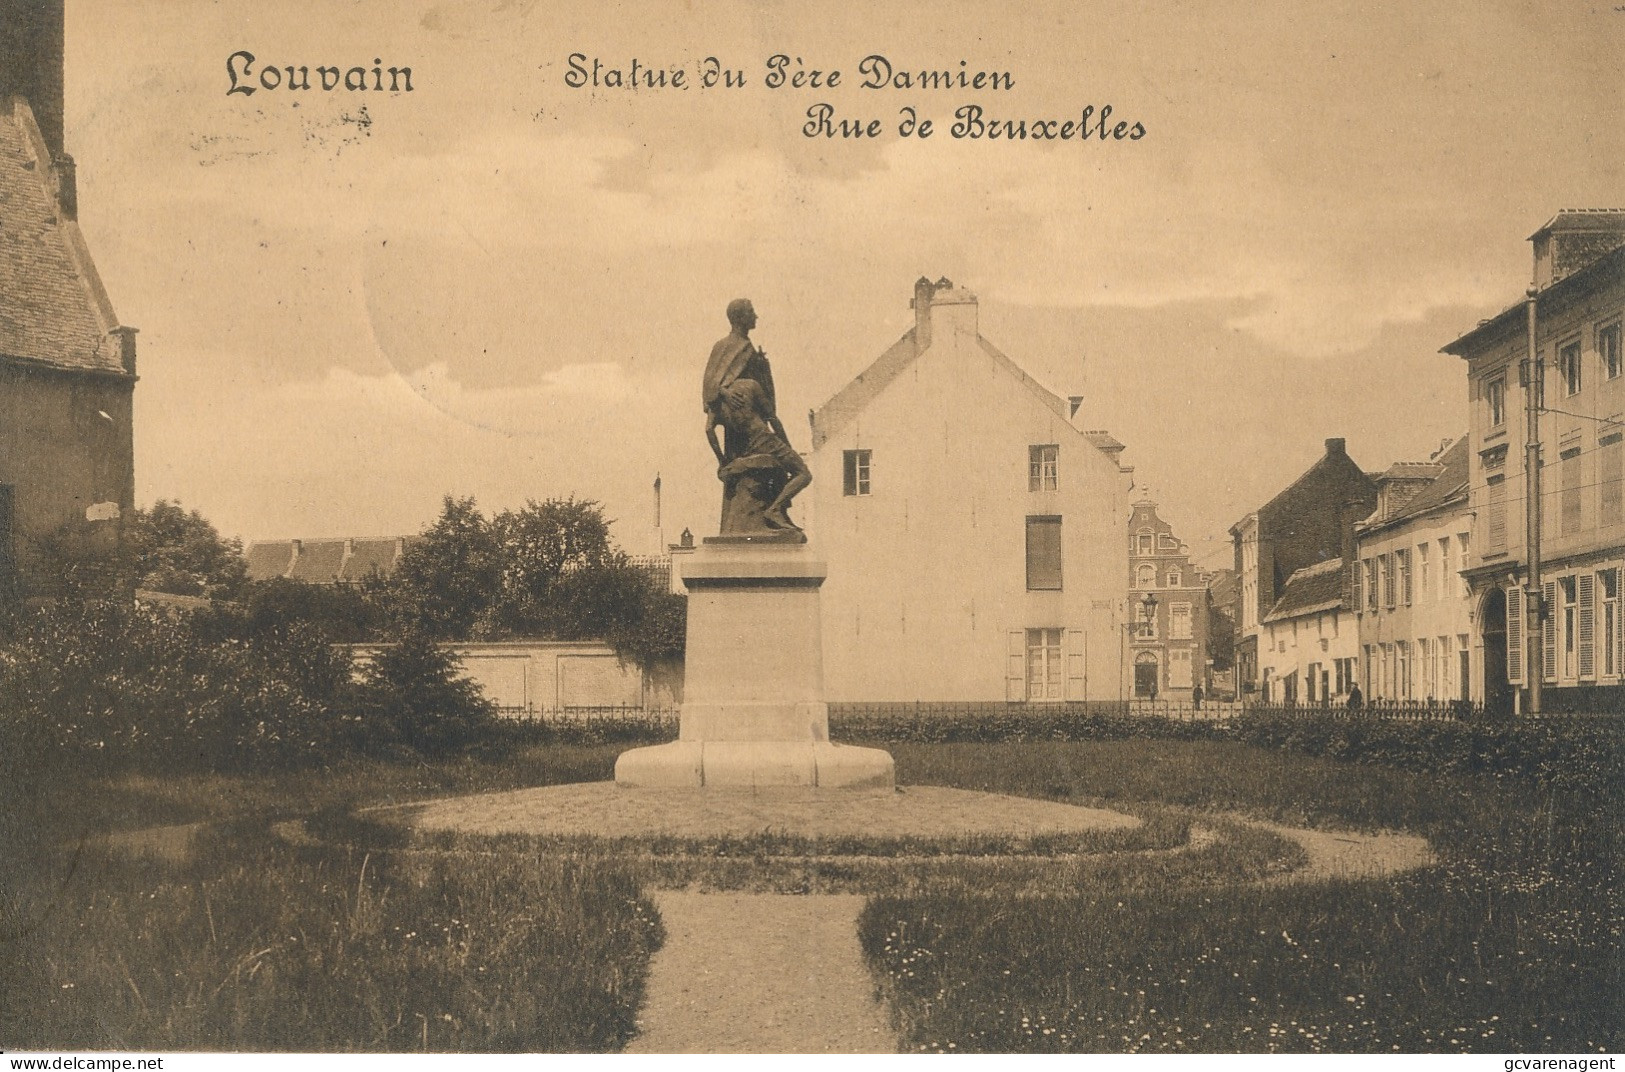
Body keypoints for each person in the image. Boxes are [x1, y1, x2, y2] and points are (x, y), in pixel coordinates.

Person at [702, 299, 811, 535]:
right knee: (800, 472)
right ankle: (774, 510)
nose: (756, 316)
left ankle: (774, 512)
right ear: (740, 317)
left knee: (777, 471)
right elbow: (710, 382)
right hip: (749, 425)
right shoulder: (724, 346)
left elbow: (710, 423)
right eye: (752, 312)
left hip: (740, 424)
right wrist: (724, 392)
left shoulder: (750, 349)